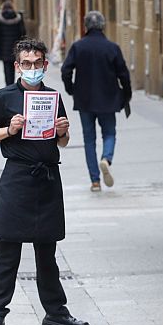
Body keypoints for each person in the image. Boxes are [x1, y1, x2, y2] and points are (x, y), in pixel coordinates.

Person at [0, 37, 89, 325]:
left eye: (38, 63)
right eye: (27, 64)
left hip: (48, 179)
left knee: (47, 249)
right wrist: (7, 129)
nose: (32, 68)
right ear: (17, 66)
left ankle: (56, 311)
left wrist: (63, 132)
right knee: (8, 247)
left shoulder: (53, 96)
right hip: (17, 178)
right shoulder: (4, 97)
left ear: (45, 65)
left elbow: (62, 142)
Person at [61, 11, 131, 192]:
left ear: (85, 26)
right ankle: (106, 159)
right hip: (108, 98)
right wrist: (126, 95)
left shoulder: (78, 47)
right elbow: (123, 74)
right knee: (109, 133)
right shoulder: (112, 47)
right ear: (103, 26)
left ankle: (95, 181)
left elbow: (66, 70)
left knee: (89, 139)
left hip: (84, 99)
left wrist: (71, 89)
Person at [0, 1, 26, 86]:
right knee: (14, 65)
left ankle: (8, 84)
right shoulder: (18, 18)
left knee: (6, 67)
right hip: (16, 47)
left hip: (4, 47)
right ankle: (13, 84)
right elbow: (22, 32)